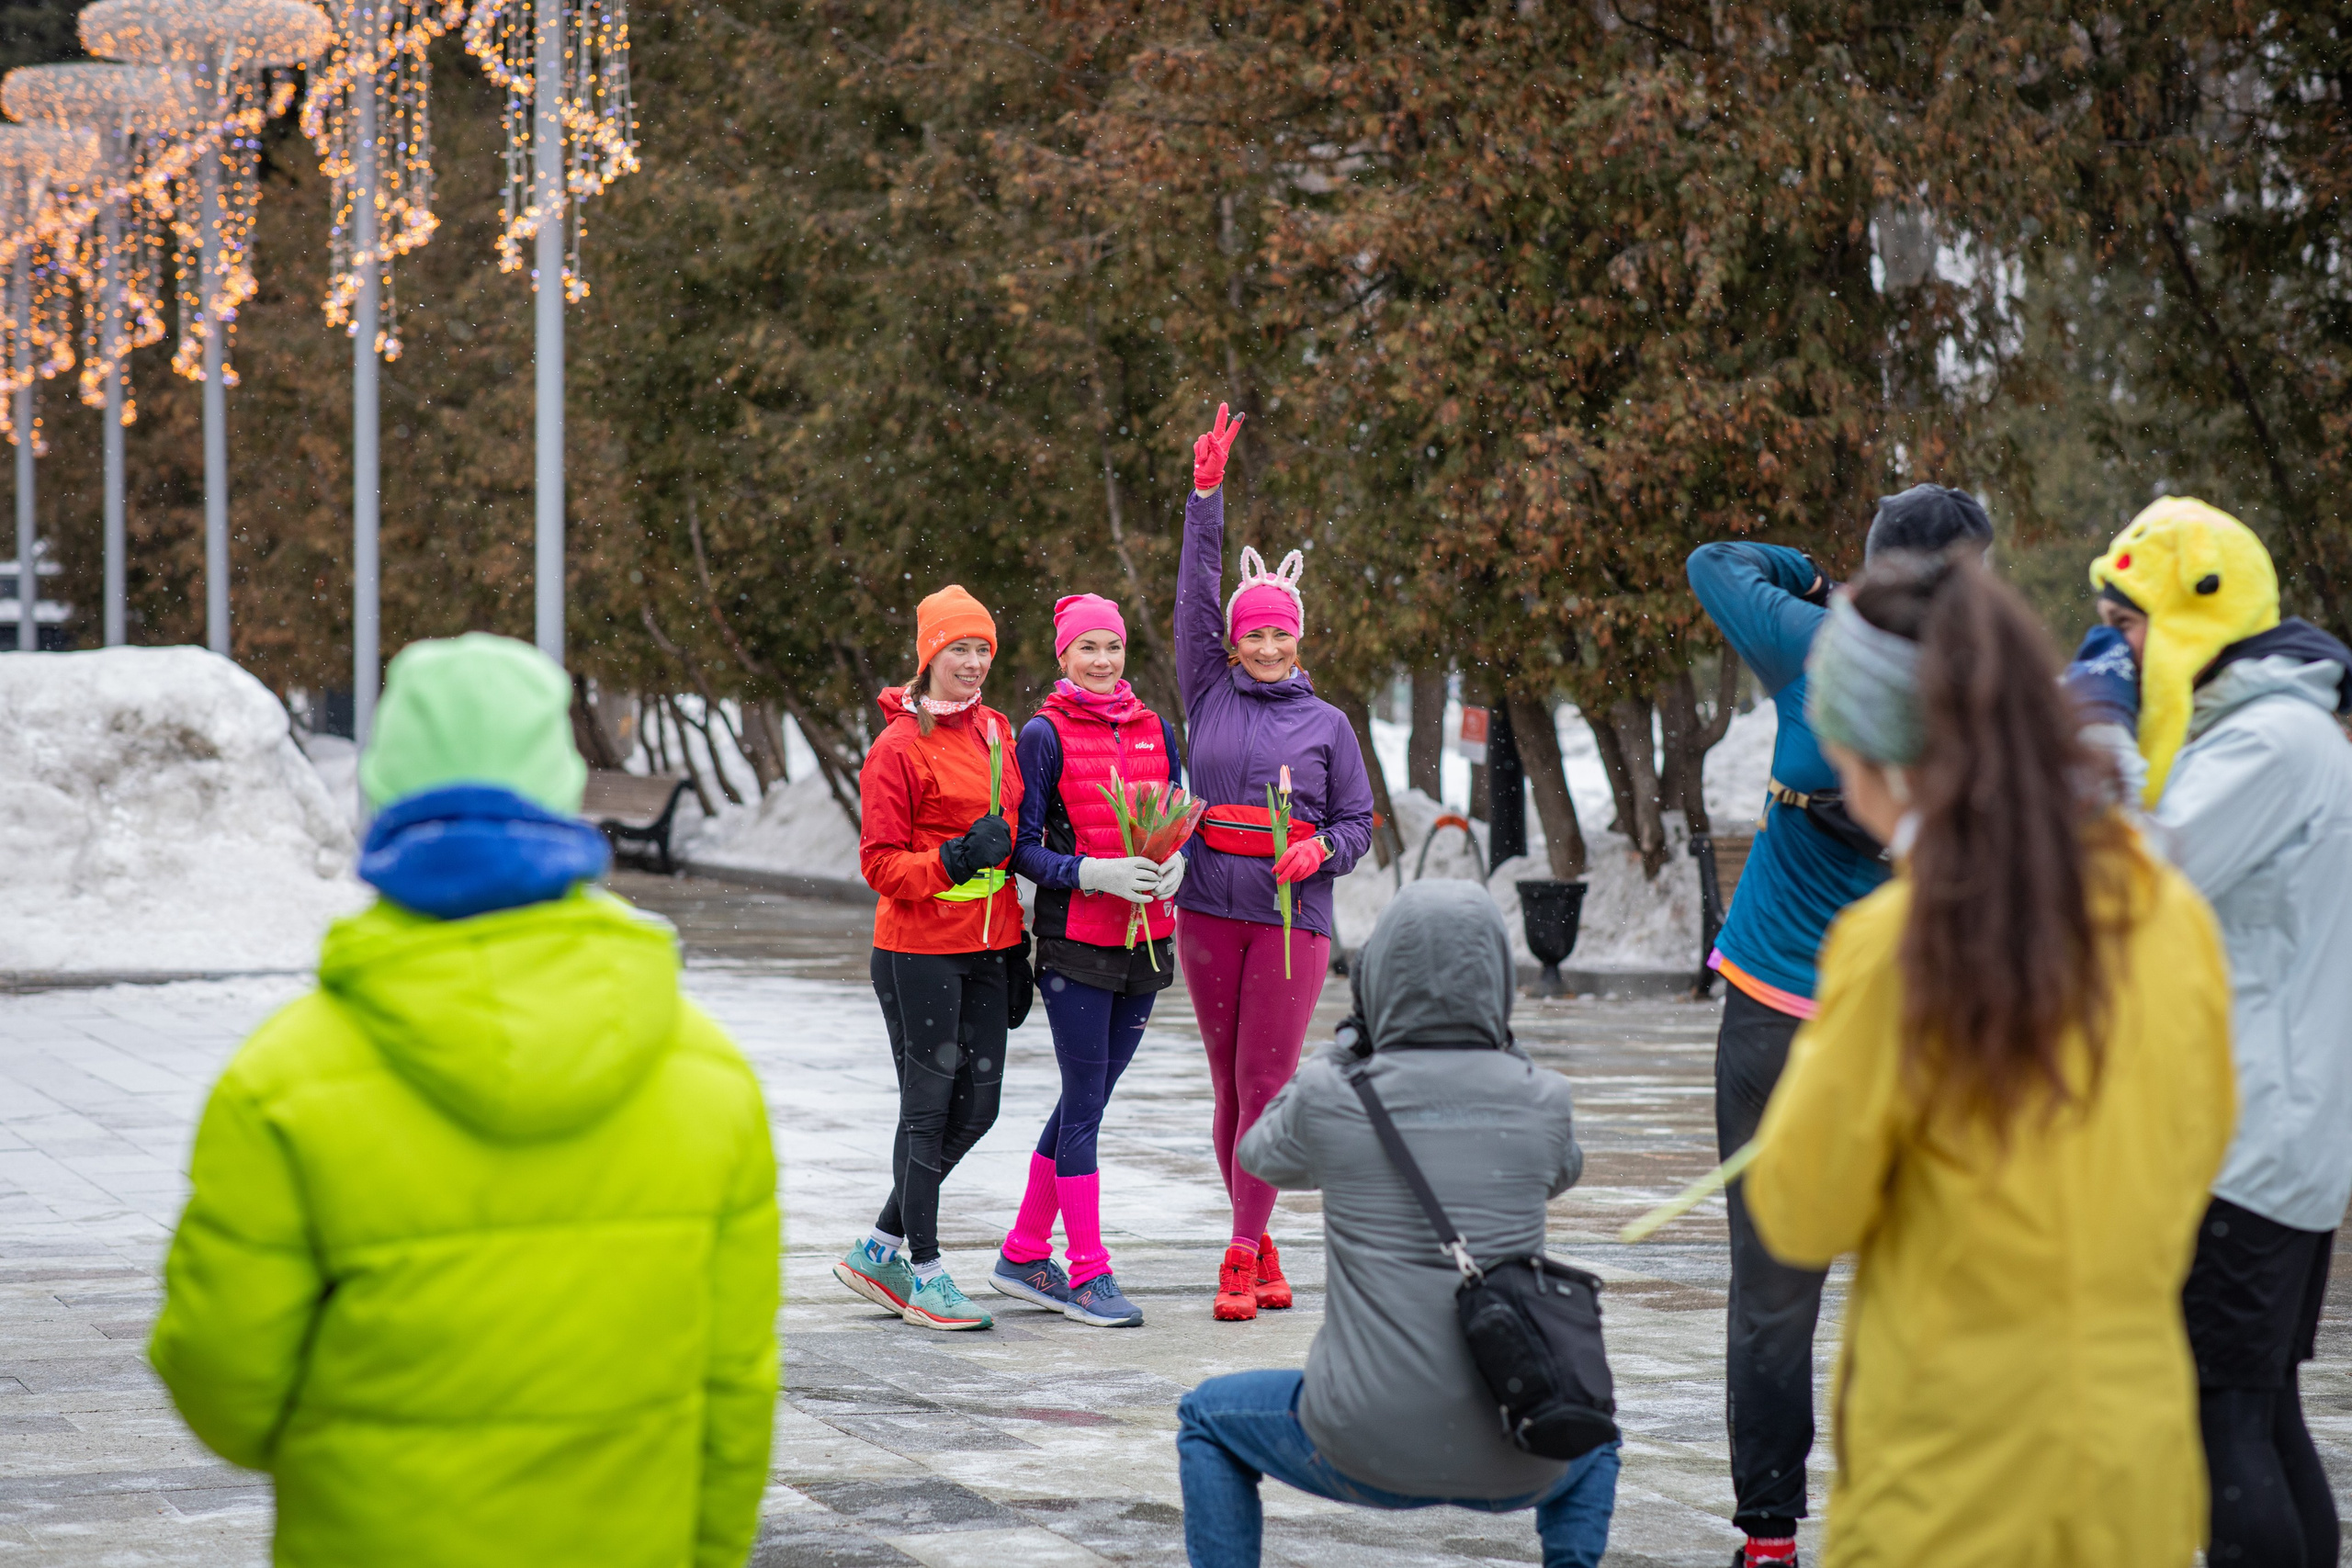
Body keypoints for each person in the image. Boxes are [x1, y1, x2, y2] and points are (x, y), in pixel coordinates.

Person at [148, 633, 779, 1567]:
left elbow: (226, 1389)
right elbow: (734, 1388)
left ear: (388, 795)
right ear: (562, 791)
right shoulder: (708, 1075)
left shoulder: (283, 1080)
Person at [1744, 550, 2237, 1566]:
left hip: (1947, 1489)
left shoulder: (1898, 947)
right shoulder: (2171, 916)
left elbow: (1798, 1208)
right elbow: (2202, 1143)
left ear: (1887, 757)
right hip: (2135, 1479)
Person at [1681, 483, 1990, 1565]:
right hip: (1921, 1024)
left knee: (1771, 1292)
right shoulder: (1995, 695)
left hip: (1775, 1011)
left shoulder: (1823, 647)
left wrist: (1815, 579)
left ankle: (1768, 1537)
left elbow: (1714, 560)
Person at [1177, 880, 1619, 1568]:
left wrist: (1337, 1055)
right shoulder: (1543, 1098)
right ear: (1498, 980)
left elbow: (1258, 1151)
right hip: (1515, 1443)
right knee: (1598, 1439)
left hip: (1356, 1438)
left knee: (1206, 1415)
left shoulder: (1336, 1092)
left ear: (1379, 975)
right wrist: (1510, 1061)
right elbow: (1562, 1170)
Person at [2085, 498, 2352, 1568]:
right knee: (2259, 1408)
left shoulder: (2267, 742)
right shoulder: (2278, 733)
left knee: (2217, 1419)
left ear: (2199, 617)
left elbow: (2130, 888)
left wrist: (2090, 763)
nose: (2118, 651)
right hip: (2273, 1133)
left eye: (2130, 624)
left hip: (2249, 1144)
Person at [1173, 403, 1378, 1321]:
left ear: (1298, 637)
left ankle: (1239, 1252)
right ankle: (1259, 1241)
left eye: (1277, 633)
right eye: (1250, 633)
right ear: (1231, 643)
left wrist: (1320, 847)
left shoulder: (1328, 724)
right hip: (1208, 909)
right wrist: (1204, 499)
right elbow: (1192, 593)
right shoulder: (1206, 690)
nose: (1263, 645)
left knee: (1267, 1085)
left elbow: (1360, 822)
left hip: (1293, 919)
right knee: (1226, 1088)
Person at [835, 584, 1027, 1331]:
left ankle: (878, 1249)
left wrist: (1018, 948)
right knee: (927, 1110)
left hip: (989, 947)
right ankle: (926, 1272)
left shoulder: (998, 733)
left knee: (978, 1108)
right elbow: (881, 865)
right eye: (959, 649)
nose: (974, 663)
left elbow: (1006, 851)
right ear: (929, 656)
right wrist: (950, 858)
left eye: (983, 649)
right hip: (916, 952)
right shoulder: (896, 749)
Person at [992, 592, 1184, 1328]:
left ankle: (1021, 1249)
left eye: (1113, 647)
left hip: (1146, 940)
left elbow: (1176, 811)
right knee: (1084, 1107)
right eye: (1087, 649)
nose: (1102, 661)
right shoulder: (1043, 734)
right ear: (1063, 656)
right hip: (1075, 944)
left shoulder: (1157, 728)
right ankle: (1089, 1273)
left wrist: (1176, 867)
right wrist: (1091, 871)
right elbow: (1024, 847)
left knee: (1087, 1101)